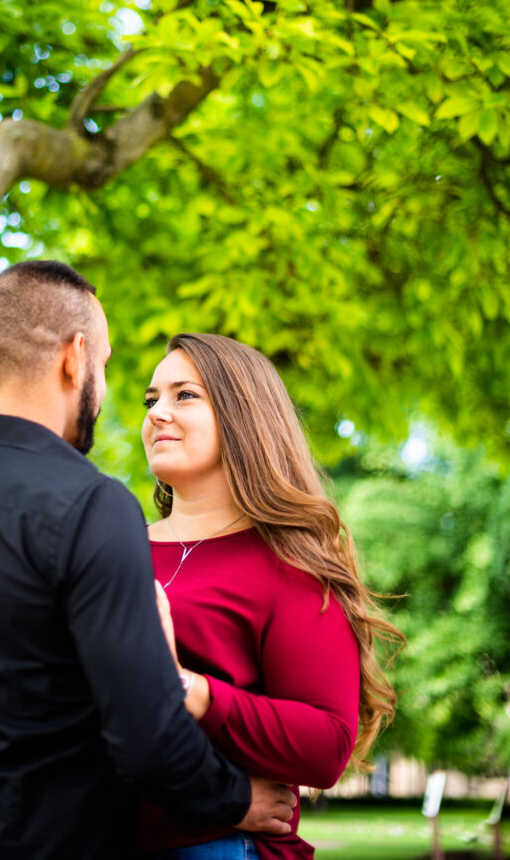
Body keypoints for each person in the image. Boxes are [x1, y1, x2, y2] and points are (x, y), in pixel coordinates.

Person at [0, 262, 296, 860]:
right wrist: (235, 798)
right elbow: (147, 730)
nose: (105, 389)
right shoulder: (90, 503)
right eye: (105, 365)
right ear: (75, 357)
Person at [137, 333, 404, 860]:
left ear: (243, 416)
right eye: (152, 399)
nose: (156, 413)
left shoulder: (290, 561)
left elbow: (325, 746)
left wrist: (189, 689)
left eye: (184, 395)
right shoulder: (112, 549)